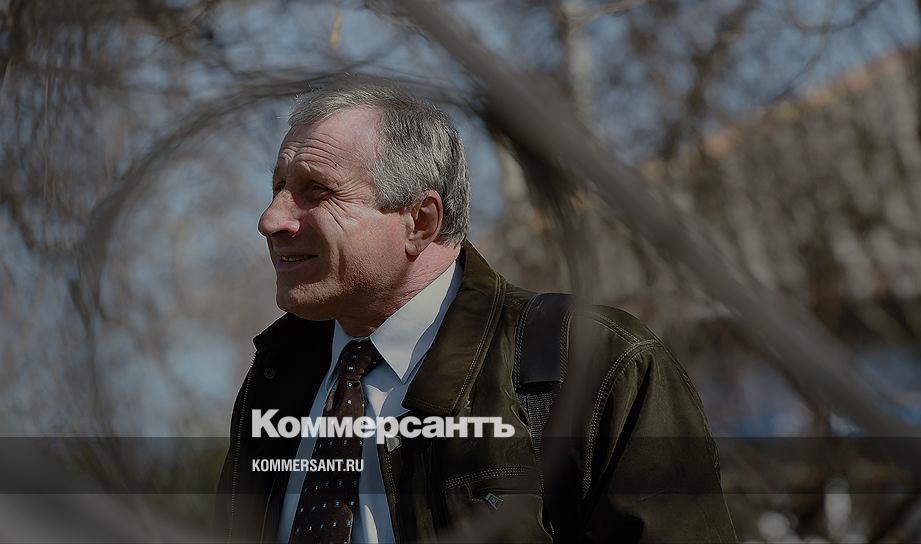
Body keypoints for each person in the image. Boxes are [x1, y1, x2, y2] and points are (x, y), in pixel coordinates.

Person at [214, 81, 736, 543]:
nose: (271, 219)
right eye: (279, 187)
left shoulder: (598, 362)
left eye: (317, 191)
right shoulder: (276, 377)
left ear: (420, 220)